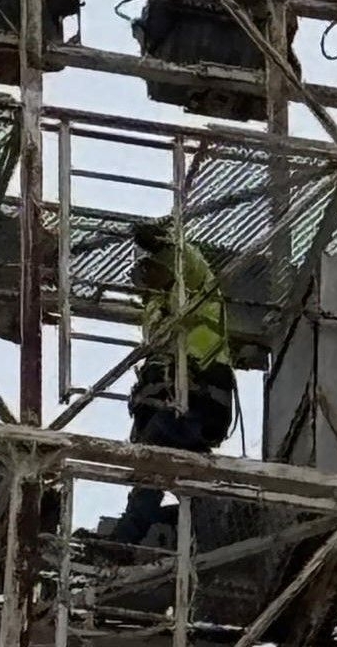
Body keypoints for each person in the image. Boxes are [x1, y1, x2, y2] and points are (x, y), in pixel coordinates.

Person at [109, 221, 240, 546]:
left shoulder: (197, 293)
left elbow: (191, 264)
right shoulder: (157, 313)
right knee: (176, 475)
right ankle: (205, 529)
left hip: (199, 400)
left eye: (148, 269)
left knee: (154, 463)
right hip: (174, 408)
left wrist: (161, 246)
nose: (143, 279)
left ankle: (126, 539)